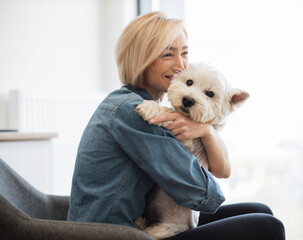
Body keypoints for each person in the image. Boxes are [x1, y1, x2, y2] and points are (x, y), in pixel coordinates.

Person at [67, 11, 285, 240]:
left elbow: (219, 175)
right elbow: (204, 194)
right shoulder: (135, 111)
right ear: (142, 58)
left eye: (185, 53)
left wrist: (207, 130)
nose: (181, 65)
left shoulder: (131, 102)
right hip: (118, 234)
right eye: (168, 54)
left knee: (260, 211)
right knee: (267, 226)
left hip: (142, 223)